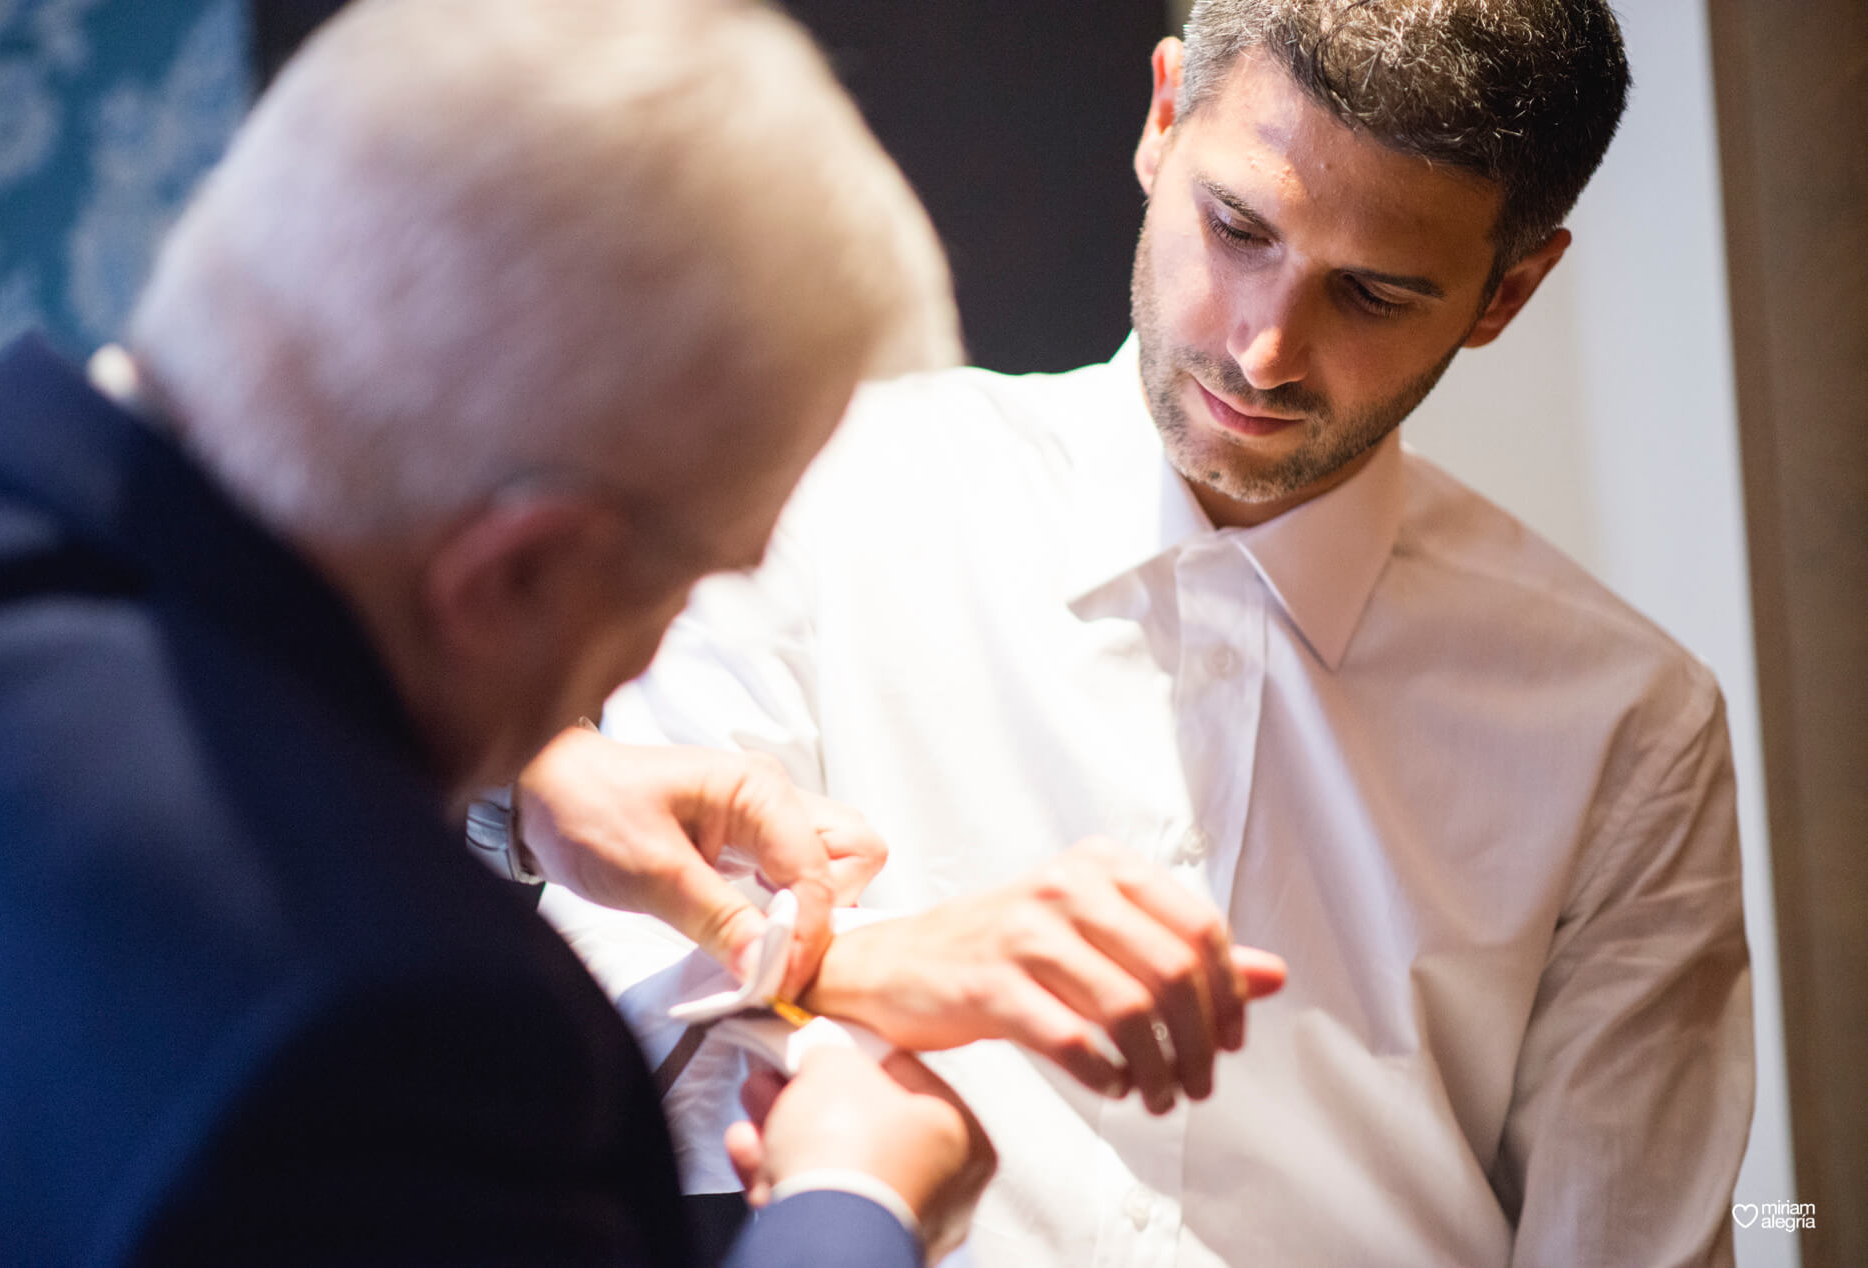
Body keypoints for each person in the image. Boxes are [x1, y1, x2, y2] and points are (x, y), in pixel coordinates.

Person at [518, 1, 1755, 1265]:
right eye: (1237, 229)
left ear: (1511, 289)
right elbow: (599, 1011)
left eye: (1374, 292)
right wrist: (852, 963)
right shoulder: (820, 487)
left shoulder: (1625, 724)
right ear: (1163, 117)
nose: (1264, 350)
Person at [0, 0, 1001, 1263]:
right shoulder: (412, 1027)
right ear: (517, 573)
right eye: (684, 592)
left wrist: (527, 769)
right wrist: (853, 1204)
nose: (650, 661)